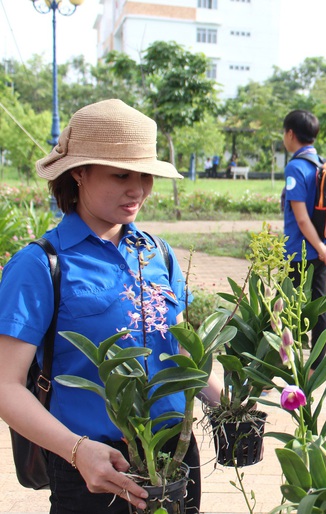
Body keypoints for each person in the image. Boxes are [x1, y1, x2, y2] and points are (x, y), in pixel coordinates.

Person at [0, 99, 223, 513]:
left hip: (175, 457)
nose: (137, 188)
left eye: (145, 175)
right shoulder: (41, 265)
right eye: (121, 174)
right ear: (79, 173)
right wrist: (76, 451)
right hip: (95, 468)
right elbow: (6, 386)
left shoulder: (158, 253)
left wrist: (228, 405)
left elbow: (179, 353)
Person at [282, 109, 326, 368]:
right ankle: (317, 365)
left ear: (290, 134)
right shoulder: (323, 166)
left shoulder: (296, 167)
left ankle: (282, 362)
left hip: (298, 250)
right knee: (319, 304)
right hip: (320, 248)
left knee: (284, 306)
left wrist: (318, 248)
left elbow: (302, 218)